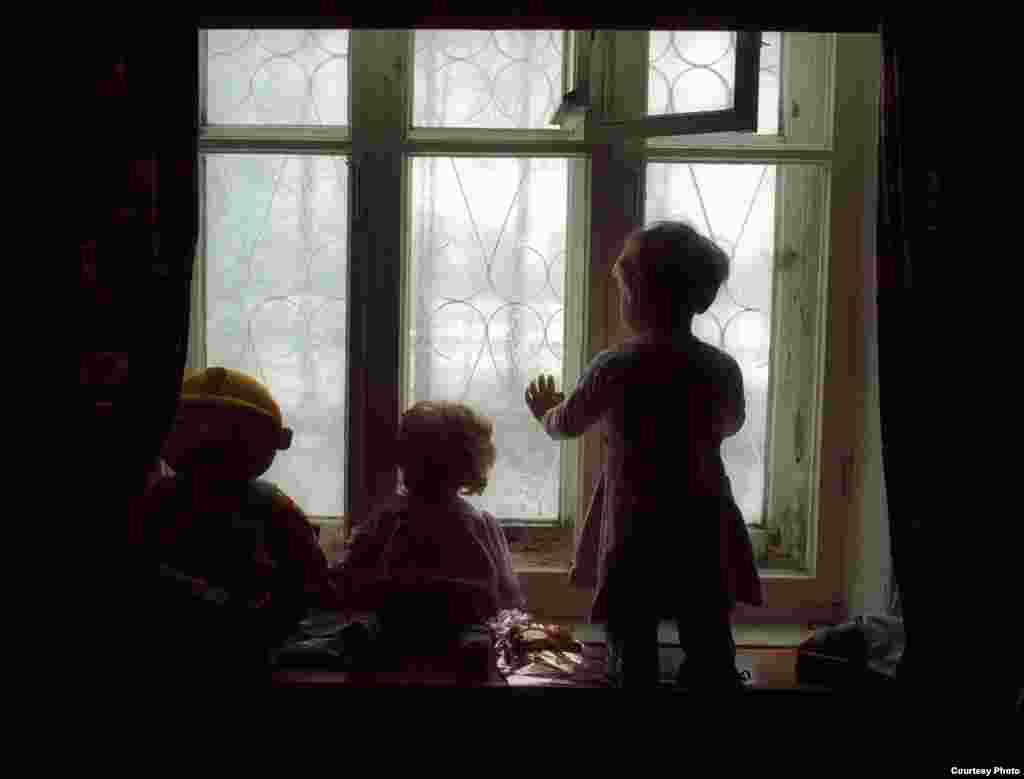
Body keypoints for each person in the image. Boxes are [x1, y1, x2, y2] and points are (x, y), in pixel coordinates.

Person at [525, 221, 764, 690]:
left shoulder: (615, 365)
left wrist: (544, 412)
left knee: (631, 628)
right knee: (706, 620)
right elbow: (731, 423)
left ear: (638, 293)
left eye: (624, 289)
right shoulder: (720, 366)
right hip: (701, 507)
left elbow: (567, 424)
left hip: (637, 513)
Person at [331, 400, 525, 653]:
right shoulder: (480, 523)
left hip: (397, 633)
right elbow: (509, 597)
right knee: (478, 632)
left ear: (402, 459)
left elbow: (349, 578)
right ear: (473, 465)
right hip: (459, 631)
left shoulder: (387, 519)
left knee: (369, 626)